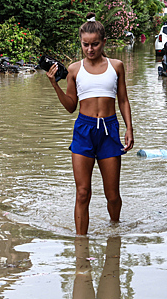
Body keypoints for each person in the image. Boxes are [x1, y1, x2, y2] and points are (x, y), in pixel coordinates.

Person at [47, 14, 134, 233]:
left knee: (112, 195)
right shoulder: (75, 70)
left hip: (109, 129)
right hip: (84, 131)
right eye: (85, 44)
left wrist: (129, 128)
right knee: (83, 192)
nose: (90, 49)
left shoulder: (117, 66)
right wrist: (54, 85)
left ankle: (115, 232)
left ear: (104, 42)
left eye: (95, 44)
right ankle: (80, 245)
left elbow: (123, 99)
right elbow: (70, 106)